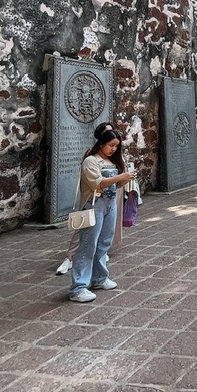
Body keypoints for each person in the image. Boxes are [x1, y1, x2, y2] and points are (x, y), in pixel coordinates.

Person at [68, 128, 134, 302]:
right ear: (102, 143)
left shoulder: (111, 161)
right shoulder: (91, 161)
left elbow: (114, 187)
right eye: (111, 145)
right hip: (94, 205)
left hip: (110, 205)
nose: (113, 149)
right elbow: (97, 183)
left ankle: (99, 278)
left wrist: (123, 181)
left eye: (116, 146)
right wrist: (120, 176)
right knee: (88, 245)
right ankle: (78, 287)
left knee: (104, 243)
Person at [57, 121, 113, 275]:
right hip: (94, 196)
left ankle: (101, 254)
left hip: (110, 195)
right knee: (84, 226)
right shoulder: (91, 155)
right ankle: (70, 257)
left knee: (106, 228)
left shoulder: (112, 152)